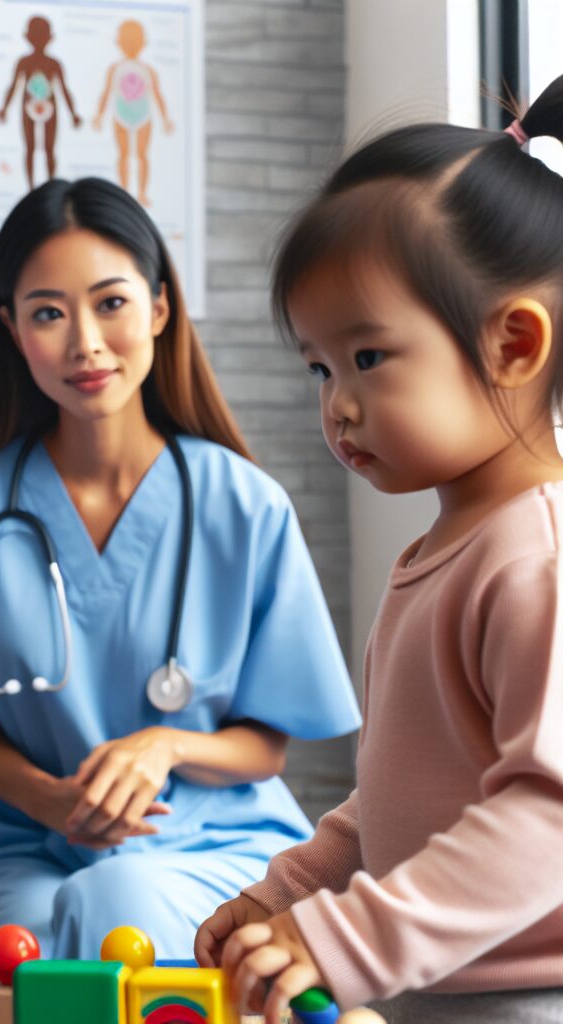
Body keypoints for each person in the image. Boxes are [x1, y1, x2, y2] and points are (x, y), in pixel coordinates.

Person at [0, 176, 361, 991]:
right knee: (29, 955)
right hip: (22, 845)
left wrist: (165, 743)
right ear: (11, 331)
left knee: (121, 900)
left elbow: (266, 744)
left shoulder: (242, 505)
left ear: (160, 309)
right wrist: (46, 799)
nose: (85, 343)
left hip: (213, 842)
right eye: (47, 313)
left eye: (111, 303)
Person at [195, 79, 563, 1024]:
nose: (337, 406)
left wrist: (339, 937)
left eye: (368, 358)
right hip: (434, 986)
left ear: (515, 346)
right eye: (320, 366)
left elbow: (549, 819)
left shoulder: (538, 559)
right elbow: (408, 798)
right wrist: (295, 892)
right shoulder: (448, 547)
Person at [92, 20, 174, 207]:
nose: (130, 47)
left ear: (143, 44)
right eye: (126, 42)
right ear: (118, 43)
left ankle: (142, 193)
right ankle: (125, 192)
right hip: (120, 115)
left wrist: (165, 119)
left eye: (134, 42)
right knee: (123, 154)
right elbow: (106, 93)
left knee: (142, 154)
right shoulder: (114, 69)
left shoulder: (148, 70)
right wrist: (99, 115)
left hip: (143, 116)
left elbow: (157, 94)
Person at [0, 17, 82, 190]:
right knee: (30, 148)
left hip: (51, 109)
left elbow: (64, 89)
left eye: (43, 34)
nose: (39, 39)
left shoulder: (54, 63)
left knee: (49, 149)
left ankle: (50, 189)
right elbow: (13, 86)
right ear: (28, 37)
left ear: (50, 37)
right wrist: (5, 108)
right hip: (28, 109)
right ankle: (31, 189)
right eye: (36, 34)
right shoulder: (24, 62)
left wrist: (73, 113)